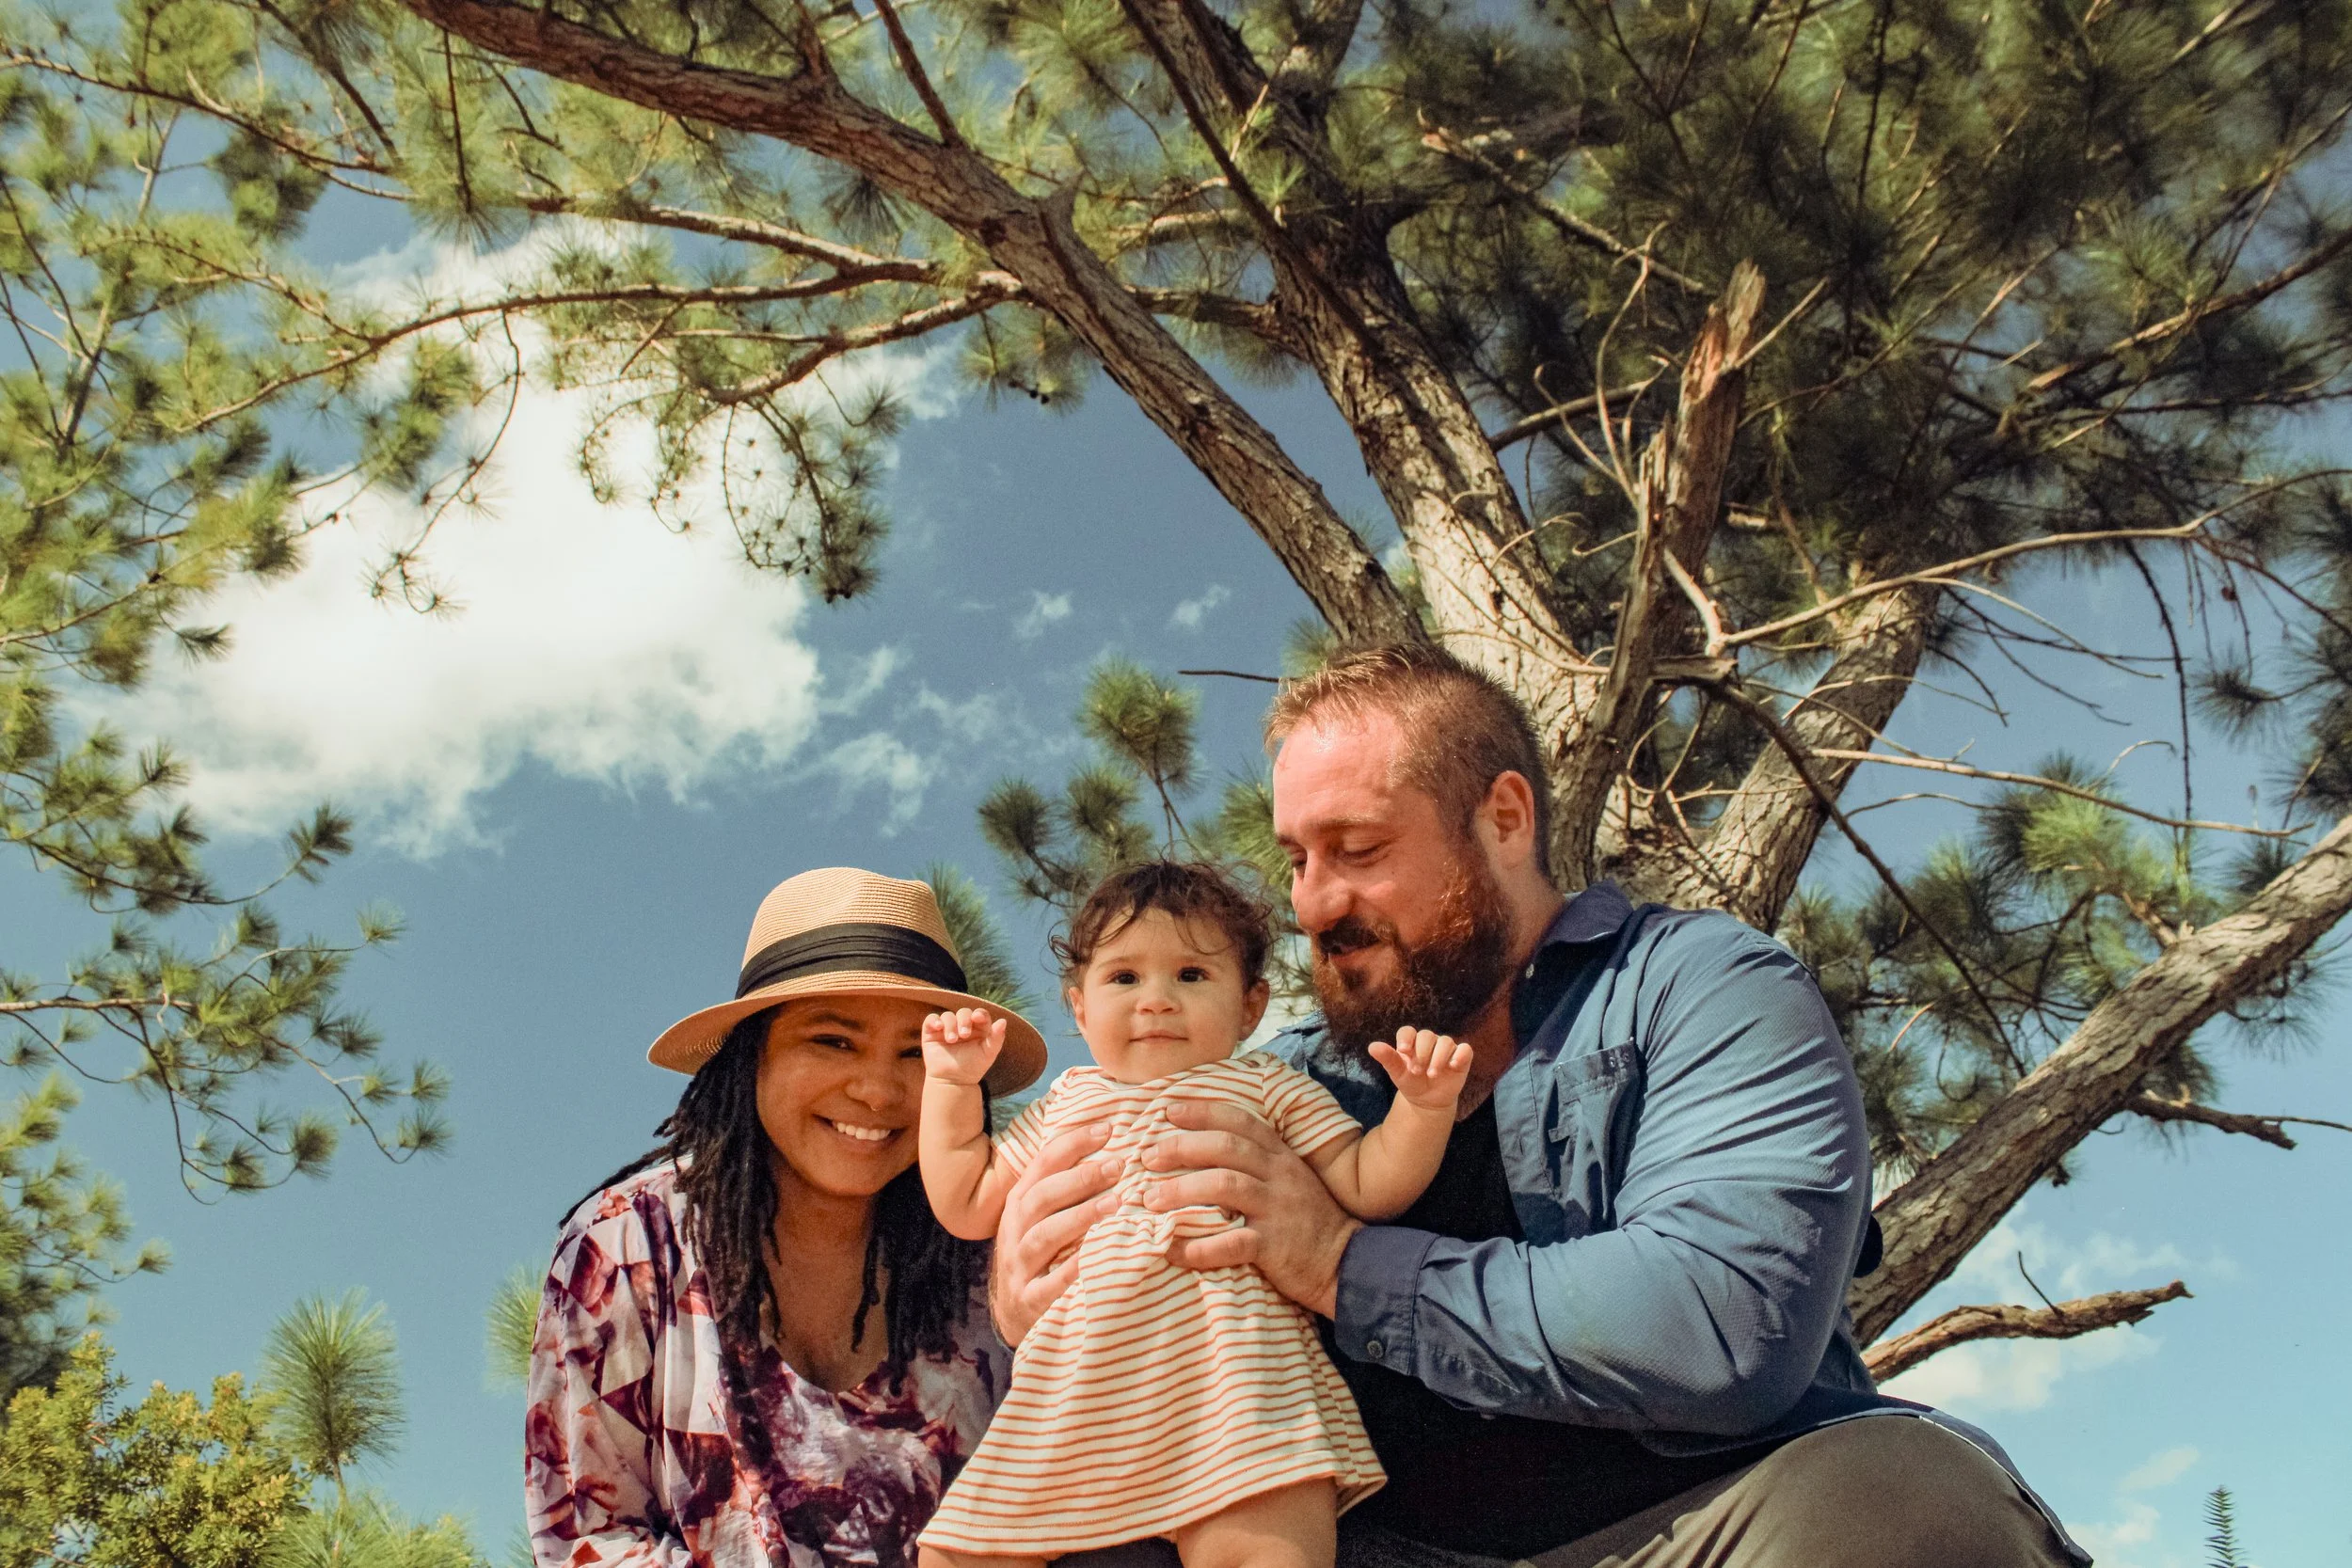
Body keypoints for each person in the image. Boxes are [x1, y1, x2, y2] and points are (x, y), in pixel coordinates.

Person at [992, 646, 2090, 1568]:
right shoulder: (1277, 1081)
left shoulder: (1702, 983)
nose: (1314, 902)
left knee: (1899, 1496)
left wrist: (1335, 1259)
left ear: (1503, 816)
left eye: (1357, 849)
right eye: (1295, 859)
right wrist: (1031, 1285)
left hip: (1699, 1528)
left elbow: (1722, 1318)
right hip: (1378, 1542)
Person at [915, 862, 1473, 1568]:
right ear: (1079, 1006)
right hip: (1070, 1404)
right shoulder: (1065, 1102)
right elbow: (965, 1197)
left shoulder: (1264, 1084)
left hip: (1236, 1395)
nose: (1156, 1001)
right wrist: (950, 1084)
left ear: (1250, 1005)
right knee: (954, 1554)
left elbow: (1369, 1182)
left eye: (1190, 975)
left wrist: (1422, 1109)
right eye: (1124, 978)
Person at [523, 867, 1050, 1568]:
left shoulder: (998, 1255)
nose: (878, 1089)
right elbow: (587, 1538)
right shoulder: (629, 1243)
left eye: (916, 1053)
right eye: (834, 1040)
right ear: (751, 1056)